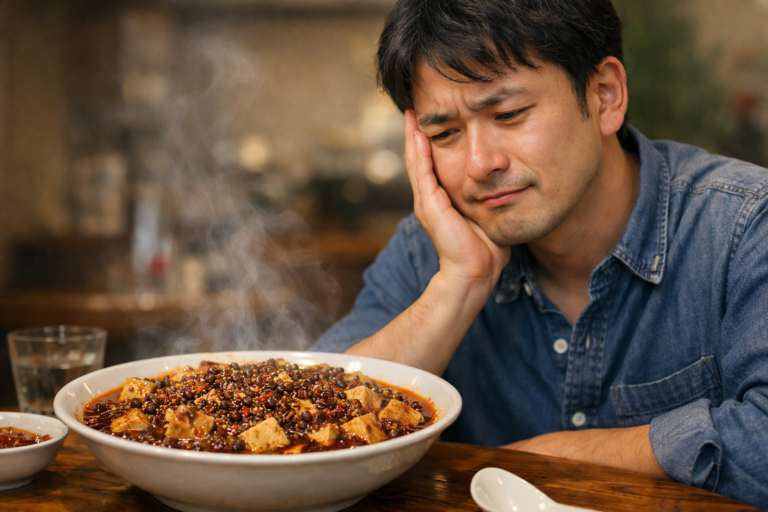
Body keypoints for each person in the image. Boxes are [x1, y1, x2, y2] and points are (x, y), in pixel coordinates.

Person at [312, 0, 768, 508]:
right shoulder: (433, 254)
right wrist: (461, 281)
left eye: (508, 115)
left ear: (604, 95)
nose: (480, 164)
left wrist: (550, 457)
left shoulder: (745, 227)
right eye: (444, 135)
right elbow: (312, 429)